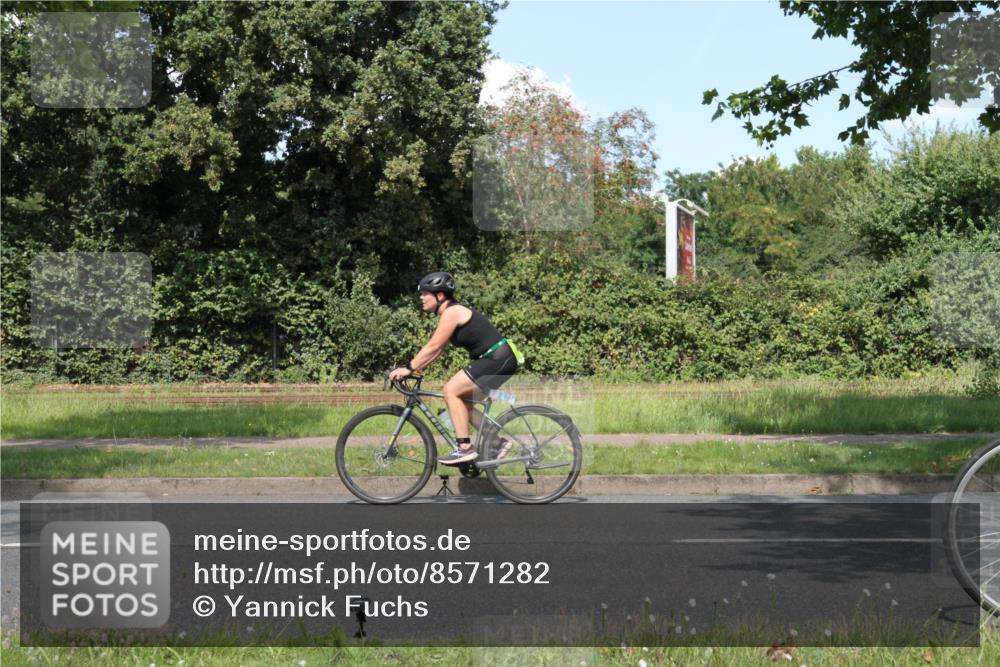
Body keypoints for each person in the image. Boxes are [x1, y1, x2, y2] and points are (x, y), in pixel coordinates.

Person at [388, 271, 519, 465]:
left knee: (451, 390)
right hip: (499, 359)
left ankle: (464, 449)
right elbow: (438, 350)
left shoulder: (452, 312)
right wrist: (415, 369)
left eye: (425, 293)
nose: (421, 298)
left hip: (497, 358)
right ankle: (498, 443)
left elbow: (433, 346)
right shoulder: (449, 313)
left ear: (440, 295)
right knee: (464, 404)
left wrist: (408, 368)